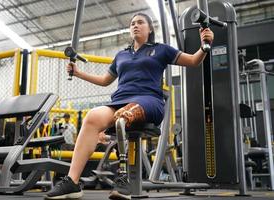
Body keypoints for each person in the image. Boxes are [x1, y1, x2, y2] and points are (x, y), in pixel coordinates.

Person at [45, 12, 213, 200]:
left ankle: (123, 178)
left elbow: (193, 61)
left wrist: (204, 46)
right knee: (92, 117)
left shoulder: (161, 50)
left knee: (123, 116)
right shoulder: (122, 55)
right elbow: (104, 81)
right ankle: (72, 182)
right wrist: (78, 73)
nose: (135, 25)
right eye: (132, 23)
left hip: (149, 100)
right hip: (119, 100)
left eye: (140, 22)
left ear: (150, 29)